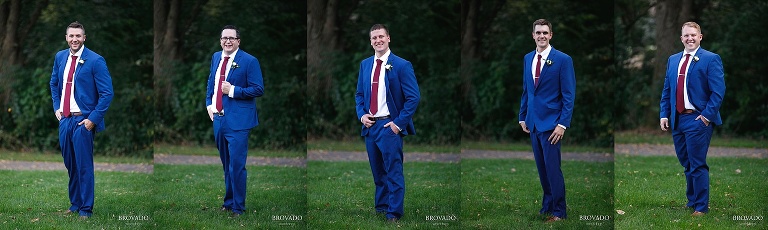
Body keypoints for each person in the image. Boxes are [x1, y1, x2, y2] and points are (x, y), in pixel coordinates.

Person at [355, 24, 420, 223]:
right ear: (370, 41)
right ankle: (381, 208)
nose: (378, 40)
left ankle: (394, 213)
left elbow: (413, 98)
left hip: (389, 127)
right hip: (370, 126)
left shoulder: (401, 65)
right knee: (378, 173)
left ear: (388, 38)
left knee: (393, 171)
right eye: (374, 38)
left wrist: (397, 124)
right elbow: (359, 95)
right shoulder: (365, 64)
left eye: (381, 36)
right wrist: (362, 115)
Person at [49, 21, 114, 219]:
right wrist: (57, 107)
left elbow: (107, 93)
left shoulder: (95, 60)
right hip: (65, 120)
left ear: (84, 38)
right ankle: (75, 204)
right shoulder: (60, 57)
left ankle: (86, 209)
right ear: (66, 38)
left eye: (78, 36)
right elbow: (53, 84)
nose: (75, 39)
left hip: (83, 121)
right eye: (71, 36)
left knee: (83, 166)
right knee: (70, 164)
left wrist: (92, 120)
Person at [659, 21, 725, 217]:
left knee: (697, 163)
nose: (690, 38)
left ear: (700, 37)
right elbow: (667, 89)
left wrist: (706, 117)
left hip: (698, 119)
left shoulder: (711, 59)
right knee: (686, 163)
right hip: (678, 119)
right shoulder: (673, 59)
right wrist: (664, 113)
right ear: (681, 38)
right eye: (686, 35)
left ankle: (701, 207)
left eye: (693, 35)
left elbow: (718, 92)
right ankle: (692, 201)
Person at [518, 18, 576, 223]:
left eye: (545, 32)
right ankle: (547, 206)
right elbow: (527, 91)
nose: (541, 36)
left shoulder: (562, 60)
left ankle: (560, 211)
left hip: (552, 124)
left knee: (553, 169)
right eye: (538, 32)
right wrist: (522, 116)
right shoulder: (527, 58)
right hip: (533, 122)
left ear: (551, 35)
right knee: (542, 169)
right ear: (533, 35)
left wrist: (562, 124)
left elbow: (569, 95)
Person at [205, 25, 264, 217]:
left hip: (239, 122)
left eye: (231, 38)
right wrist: (209, 105)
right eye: (224, 38)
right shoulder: (216, 57)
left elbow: (258, 89)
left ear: (238, 41)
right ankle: (228, 202)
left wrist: (232, 90)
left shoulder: (249, 61)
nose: (227, 41)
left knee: (236, 166)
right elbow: (211, 83)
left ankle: (239, 207)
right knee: (226, 165)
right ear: (220, 40)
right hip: (218, 120)